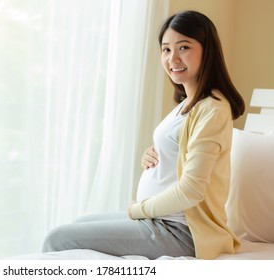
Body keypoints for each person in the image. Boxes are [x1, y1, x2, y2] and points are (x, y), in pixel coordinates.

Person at [42, 10, 245, 260]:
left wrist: (139, 209)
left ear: (207, 50)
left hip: (181, 230)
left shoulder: (212, 109)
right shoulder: (186, 103)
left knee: (58, 238)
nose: (173, 58)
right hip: (161, 220)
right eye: (166, 49)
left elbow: (192, 190)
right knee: (80, 221)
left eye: (184, 47)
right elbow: (180, 154)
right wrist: (151, 157)